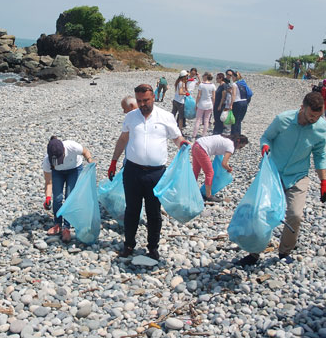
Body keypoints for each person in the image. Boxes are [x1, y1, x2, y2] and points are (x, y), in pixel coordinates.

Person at [237, 92, 326, 266]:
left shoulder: (321, 128)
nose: (314, 120)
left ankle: (284, 251)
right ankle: (254, 252)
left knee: (295, 215)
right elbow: (266, 137)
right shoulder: (283, 120)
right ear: (302, 108)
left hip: (298, 175)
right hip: (273, 173)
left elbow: (319, 155)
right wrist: (265, 147)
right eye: (311, 116)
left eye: (318, 117)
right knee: (263, 212)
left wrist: (324, 182)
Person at [108, 84, 189, 261]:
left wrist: (182, 143)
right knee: (132, 211)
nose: (143, 104)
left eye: (146, 100)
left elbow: (177, 137)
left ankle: (153, 247)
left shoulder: (166, 117)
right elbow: (123, 139)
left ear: (153, 98)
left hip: (156, 174)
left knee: (154, 213)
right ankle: (128, 245)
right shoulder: (130, 117)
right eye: (139, 101)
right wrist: (113, 161)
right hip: (132, 171)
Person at [42, 137, 94, 243]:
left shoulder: (72, 146)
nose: (60, 162)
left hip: (74, 169)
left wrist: (90, 161)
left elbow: (85, 151)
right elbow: (48, 182)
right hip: (58, 173)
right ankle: (57, 224)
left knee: (69, 197)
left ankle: (66, 227)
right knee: (57, 198)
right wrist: (47, 198)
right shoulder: (47, 161)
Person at [192, 134, 248, 202]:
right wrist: (229, 169)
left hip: (196, 144)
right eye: (240, 147)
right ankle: (208, 195)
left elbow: (220, 159)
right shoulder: (231, 146)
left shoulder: (225, 138)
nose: (239, 149)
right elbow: (224, 163)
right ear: (238, 141)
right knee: (210, 173)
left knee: (195, 171)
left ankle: (189, 190)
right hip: (202, 149)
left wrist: (226, 166)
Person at [193, 73, 216, 139]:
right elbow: (213, 97)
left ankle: (194, 135)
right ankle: (203, 135)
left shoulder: (201, 85)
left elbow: (199, 95)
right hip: (209, 104)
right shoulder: (213, 86)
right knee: (206, 120)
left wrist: (196, 103)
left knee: (198, 120)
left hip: (201, 104)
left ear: (206, 77)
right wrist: (213, 104)